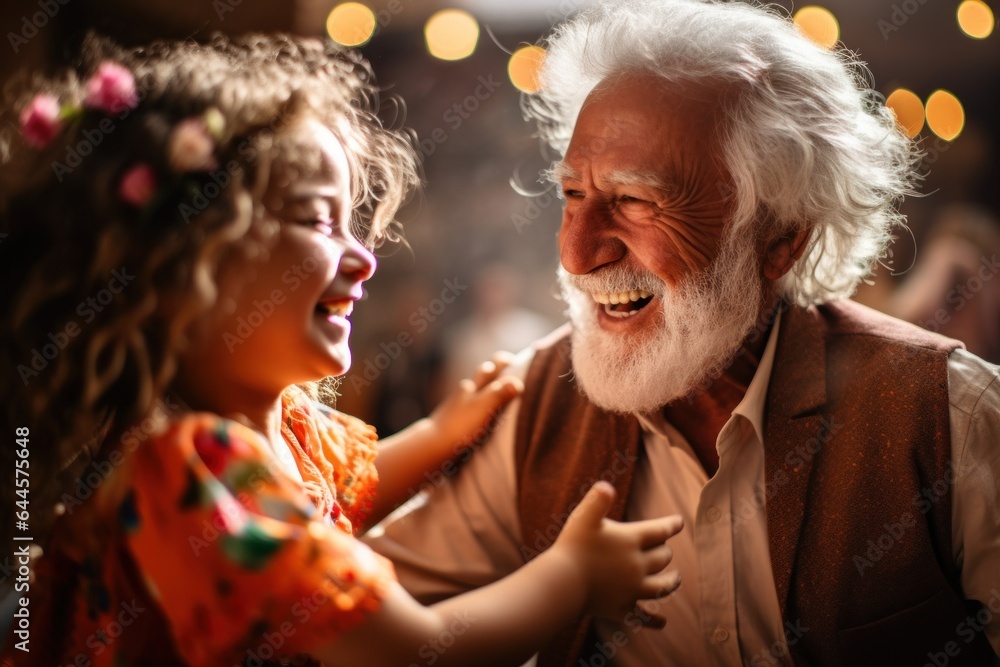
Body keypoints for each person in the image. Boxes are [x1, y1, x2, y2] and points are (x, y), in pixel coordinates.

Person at [0, 34, 684, 667]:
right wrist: (571, 576)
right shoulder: (179, 471)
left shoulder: (276, 428)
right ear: (179, 268)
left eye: (354, 221)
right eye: (316, 219)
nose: (363, 256)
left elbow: (329, 492)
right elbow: (412, 649)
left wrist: (440, 433)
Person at [367, 1, 1000, 665]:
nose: (577, 254)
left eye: (636, 201)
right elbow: (342, 614)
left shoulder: (952, 415)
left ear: (780, 240)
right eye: (573, 196)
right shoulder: (535, 406)